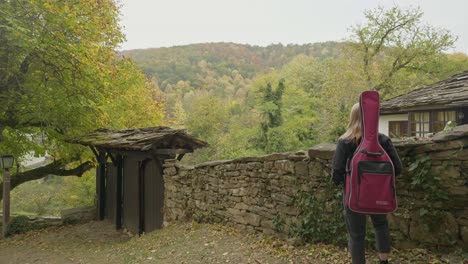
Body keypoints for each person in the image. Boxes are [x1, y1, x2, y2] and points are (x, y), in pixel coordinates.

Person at [332, 103, 402, 264]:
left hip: (353, 196)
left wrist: (348, 180)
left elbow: (336, 173)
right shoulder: (383, 140)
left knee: (356, 234)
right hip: (379, 195)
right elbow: (397, 169)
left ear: (353, 117)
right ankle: (383, 261)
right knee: (380, 225)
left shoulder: (345, 142)